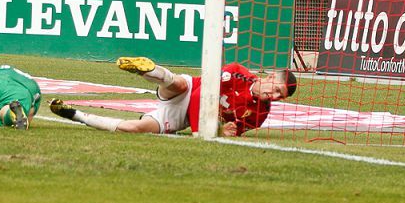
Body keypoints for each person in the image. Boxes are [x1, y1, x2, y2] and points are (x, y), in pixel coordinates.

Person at [50, 56, 298, 137]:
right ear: (268, 77)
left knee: (136, 128)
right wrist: (199, 132)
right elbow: (202, 94)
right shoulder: (236, 73)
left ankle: (74, 114)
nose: (274, 96)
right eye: (276, 88)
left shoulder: (260, 115)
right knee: (178, 83)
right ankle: (148, 69)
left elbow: (233, 130)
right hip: (191, 92)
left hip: (181, 117)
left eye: (280, 96)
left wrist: (226, 130)